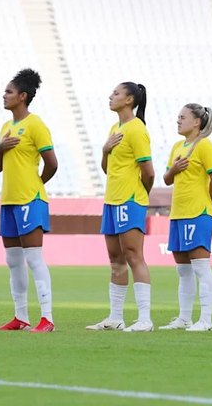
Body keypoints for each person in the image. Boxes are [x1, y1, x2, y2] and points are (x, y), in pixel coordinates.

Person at [0, 69, 58, 333]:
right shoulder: (6, 127)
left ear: (22, 96)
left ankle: (47, 317)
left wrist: (35, 185)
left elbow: (52, 163)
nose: (4, 95)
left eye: (9, 92)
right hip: (8, 200)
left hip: (30, 199)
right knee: (12, 261)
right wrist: (0, 148)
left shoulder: (36, 124)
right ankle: (20, 316)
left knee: (33, 258)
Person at [87, 82, 155, 332]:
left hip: (129, 200)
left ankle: (145, 319)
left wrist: (139, 197)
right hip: (111, 200)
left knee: (134, 256)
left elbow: (148, 173)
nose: (110, 96)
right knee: (116, 259)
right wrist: (105, 151)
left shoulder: (137, 129)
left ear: (129, 100)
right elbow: (108, 169)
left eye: (116, 93)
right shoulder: (115, 128)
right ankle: (115, 317)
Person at [161, 104, 212, 332]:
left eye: (182, 117)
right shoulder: (178, 146)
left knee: (201, 267)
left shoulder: (204, 146)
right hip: (178, 213)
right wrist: (174, 168)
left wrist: (206, 202)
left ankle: (206, 320)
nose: (178, 120)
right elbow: (167, 179)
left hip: (197, 213)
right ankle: (184, 318)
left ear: (197, 122)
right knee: (183, 270)